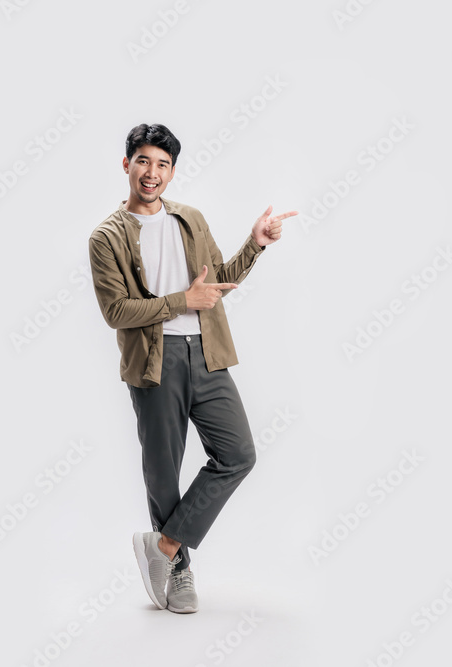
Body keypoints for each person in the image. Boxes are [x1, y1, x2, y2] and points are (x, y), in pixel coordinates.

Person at [87, 123, 296, 613]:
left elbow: (217, 282)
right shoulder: (106, 237)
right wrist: (183, 299)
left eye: (162, 164)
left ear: (172, 171)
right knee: (163, 473)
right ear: (127, 165)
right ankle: (179, 571)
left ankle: (164, 547)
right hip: (153, 363)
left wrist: (256, 243)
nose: (152, 172)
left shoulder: (191, 220)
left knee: (238, 453)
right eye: (143, 161)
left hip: (207, 354)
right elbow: (116, 311)